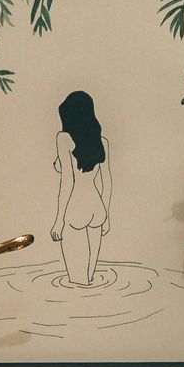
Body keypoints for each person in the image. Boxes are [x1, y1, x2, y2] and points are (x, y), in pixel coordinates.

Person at [51, 91, 112, 290]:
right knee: (89, 281)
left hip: (75, 208)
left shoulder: (64, 139)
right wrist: (107, 216)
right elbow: (107, 182)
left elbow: (67, 181)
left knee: (77, 283)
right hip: (97, 208)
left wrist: (59, 220)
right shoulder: (102, 142)